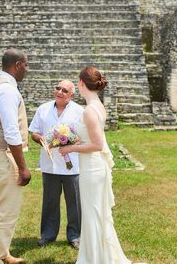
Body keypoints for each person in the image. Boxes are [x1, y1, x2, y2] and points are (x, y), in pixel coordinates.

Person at [59, 67, 131, 264]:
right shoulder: (98, 105)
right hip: (93, 167)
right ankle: (96, 256)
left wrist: (70, 149)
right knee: (95, 213)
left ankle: (94, 259)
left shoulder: (90, 110)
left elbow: (97, 145)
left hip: (92, 169)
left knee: (92, 214)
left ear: (82, 83)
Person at [0, 48, 31, 264]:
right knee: (6, 209)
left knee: (8, 206)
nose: (27, 70)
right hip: (3, 153)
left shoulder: (2, 84)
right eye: (26, 65)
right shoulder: (7, 90)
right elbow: (11, 131)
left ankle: (3, 253)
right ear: (18, 65)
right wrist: (22, 167)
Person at [29, 80, 84, 249]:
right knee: (50, 201)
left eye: (64, 90)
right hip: (50, 163)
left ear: (71, 95)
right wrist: (42, 140)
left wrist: (69, 143)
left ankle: (75, 236)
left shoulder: (79, 111)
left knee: (74, 202)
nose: (59, 91)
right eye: (57, 88)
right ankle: (48, 235)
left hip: (72, 164)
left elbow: (83, 135)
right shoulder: (43, 109)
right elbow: (34, 132)